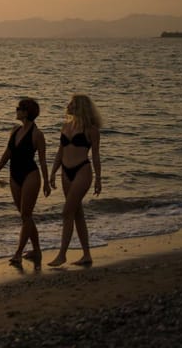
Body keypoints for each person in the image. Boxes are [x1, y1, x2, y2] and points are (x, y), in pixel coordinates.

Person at [0, 98, 51, 267]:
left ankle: (18, 253)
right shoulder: (15, 130)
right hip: (14, 175)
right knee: (26, 217)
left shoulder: (37, 134)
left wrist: (46, 182)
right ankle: (37, 249)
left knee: (26, 215)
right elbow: (8, 152)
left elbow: (43, 160)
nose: (16, 110)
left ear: (26, 112)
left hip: (30, 175)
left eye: (19, 108)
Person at [48, 94, 103, 267]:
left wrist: (99, 179)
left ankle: (62, 254)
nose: (68, 105)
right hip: (65, 172)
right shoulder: (65, 126)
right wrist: (53, 172)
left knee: (67, 212)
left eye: (72, 103)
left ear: (80, 106)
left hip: (82, 171)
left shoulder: (91, 130)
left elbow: (95, 155)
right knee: (77, 213)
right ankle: (86, 255)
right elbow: (60, 151)